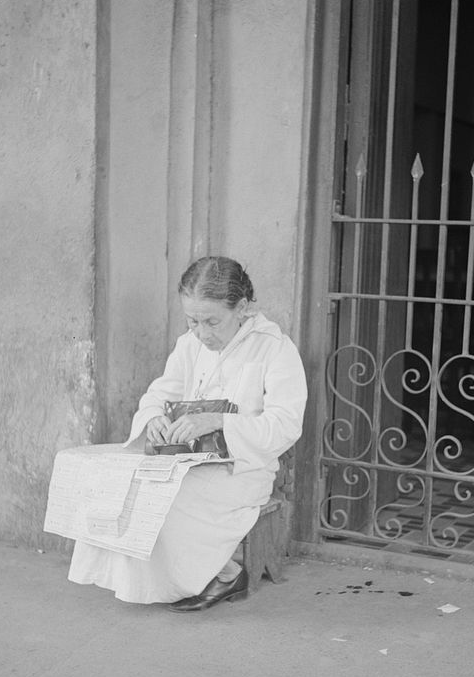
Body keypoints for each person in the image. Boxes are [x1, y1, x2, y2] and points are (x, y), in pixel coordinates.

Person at [67, 256, 308, 612]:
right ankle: (173, 579)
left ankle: (224, 574)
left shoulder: (274, 348)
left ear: (241, 307)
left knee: (168, 498)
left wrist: (220, 422)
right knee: (124, 483)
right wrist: (153, 419)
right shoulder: (190, 344)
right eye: (193, 321)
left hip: (242, 469)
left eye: (212, 321)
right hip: (187, 461)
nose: (202, 333)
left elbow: (286, 425)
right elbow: (159, 394)